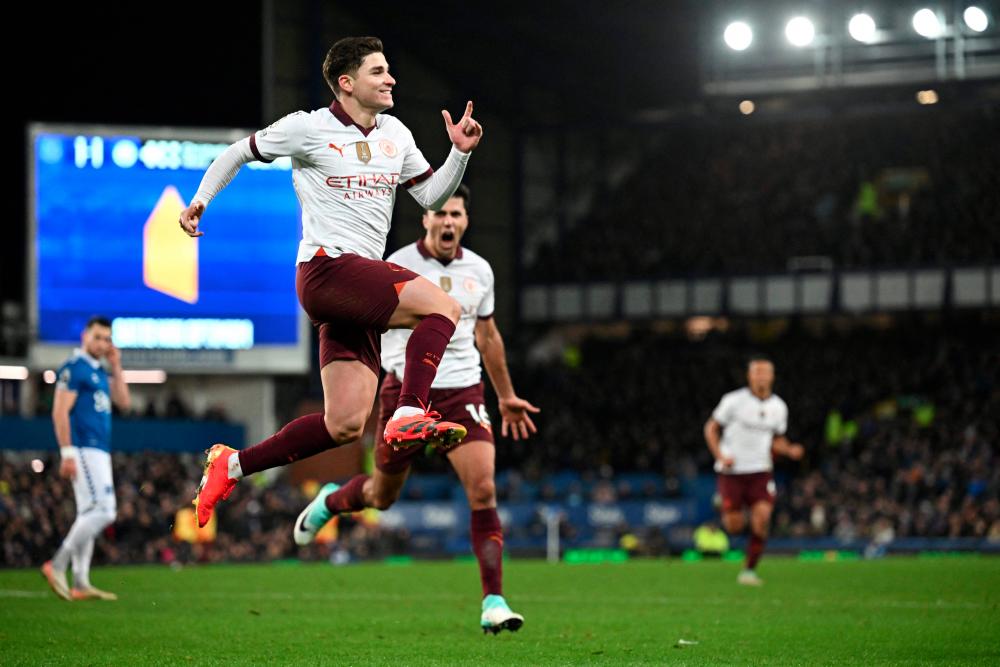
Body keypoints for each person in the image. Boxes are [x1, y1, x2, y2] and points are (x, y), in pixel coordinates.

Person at [178, 36, 484, 528]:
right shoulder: (307, 128)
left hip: (356, 289)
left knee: (344, 425)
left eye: (389, 71)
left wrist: (459, 154)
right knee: (443, 307)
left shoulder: (397, 134)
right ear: (346, 83)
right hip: (327, 270)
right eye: (379, 71)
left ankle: (231, 465)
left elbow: (430, 195)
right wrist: (200, 200)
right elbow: (238, 152)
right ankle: (410, 410)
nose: (391, 79)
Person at [293, 185, 539, 634]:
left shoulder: (480, 271)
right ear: (425, 219)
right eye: (440, 213)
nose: (448, 222)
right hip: (405, 393)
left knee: (483, 490)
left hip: (463, 392)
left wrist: (504, 396)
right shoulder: (397, 263)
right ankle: (331, 501)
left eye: (456, 215)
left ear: (466, 220)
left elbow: (488, 338)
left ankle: (494, 601)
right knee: (380, 498)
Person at [41, 316, 131, 601]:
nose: (103, 343)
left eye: (107, 338)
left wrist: (116, 365)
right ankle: (57, 563)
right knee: (104, 511)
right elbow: (59, 411)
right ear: (85, 336)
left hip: (98, 448)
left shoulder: (100, 370)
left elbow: (125, 404)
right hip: (83, 448)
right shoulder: (74, 368)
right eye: (98, 337)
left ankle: (80, 582)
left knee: (88, 513)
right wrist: (67, 452)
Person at [703, 356, 804, 585]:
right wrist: (720, 456)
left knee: (762, 520)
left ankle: (748, 571)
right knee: (734, 526)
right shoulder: (733, 401)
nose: (760, 376)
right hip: (732, 472)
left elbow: (776, 440)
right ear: (749, 376)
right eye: (756, 372)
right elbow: (710, 428)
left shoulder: (778, 407)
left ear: (772, 377)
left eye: (765, 372)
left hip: (760, 471)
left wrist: (789, 450)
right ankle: (730, 506)